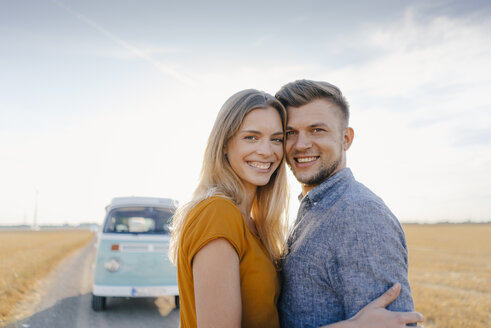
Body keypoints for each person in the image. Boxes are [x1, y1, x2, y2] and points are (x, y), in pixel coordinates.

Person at [169, 89, 423, 328]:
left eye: (277, 139)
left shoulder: (256, 222)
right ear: (224, 144)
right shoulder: (217, 213)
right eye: (251, 137)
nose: (266, 151)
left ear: (346, 138)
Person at [275, 79, 418, 327]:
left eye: (317, 130)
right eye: (290, 133)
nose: (301, 145)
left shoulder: (359, 215)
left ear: (346, 139)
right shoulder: (315, 207)